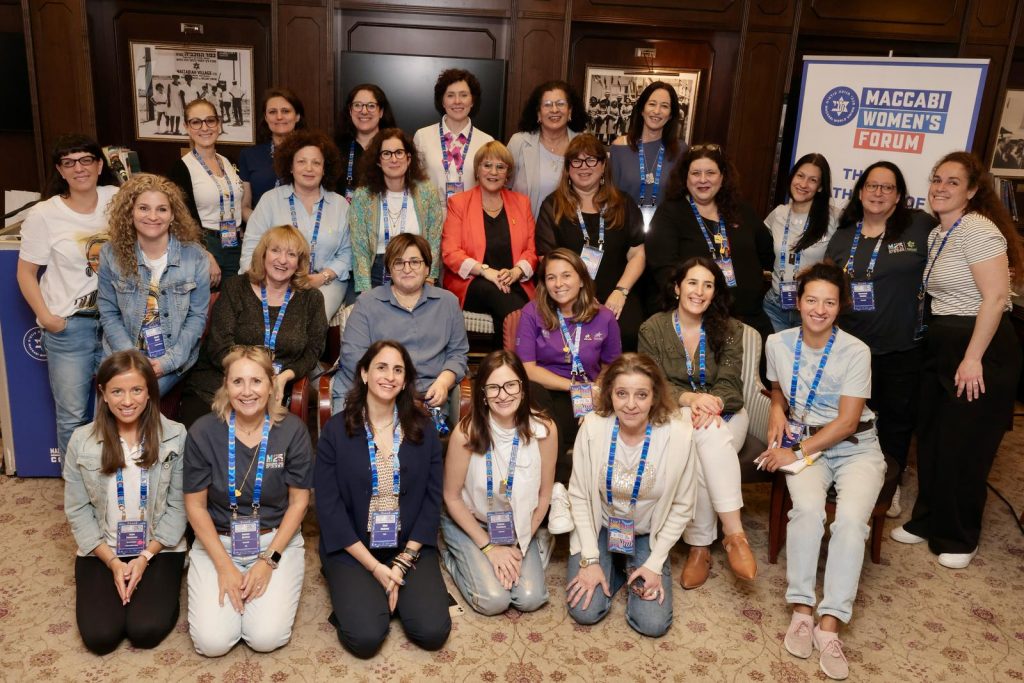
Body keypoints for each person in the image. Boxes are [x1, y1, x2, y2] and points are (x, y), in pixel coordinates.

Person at [891, 151, 1024, 569]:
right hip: (943, 345)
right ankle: (927, 520)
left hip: (980, 349)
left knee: (965, 446)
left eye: (952, 182)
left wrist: (972, 359)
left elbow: (996, 298)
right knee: (931, 437)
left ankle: (960, 535)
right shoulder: (937, 234)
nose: (940, 188)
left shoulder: (979, 230)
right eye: (936, 179)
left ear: (971, 191)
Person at [757, 262, 885, 681]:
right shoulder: (777, 342)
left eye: (829, 302)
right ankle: (801, 608)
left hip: (854, 447)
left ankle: (830, 622)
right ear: (798, 302)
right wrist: (776, 408)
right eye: (811, 300)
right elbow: (777, 387)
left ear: (840, 307)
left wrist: (794, 452)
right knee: (808, 511)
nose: (819, 309)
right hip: (805, 443)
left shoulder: (855, 351)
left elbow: (848, 422)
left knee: (849, 521)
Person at [316, 340, 451, 657]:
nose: (389, 376)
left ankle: (390, 593)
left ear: (405, 381)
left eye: (398, 370)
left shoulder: (424, 429)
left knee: (432, 631)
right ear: (364, 373)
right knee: (365, 638)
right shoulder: (336, 431)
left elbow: (433, 502)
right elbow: (329, 510)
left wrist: (402, 564)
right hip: (353, 549)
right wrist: (376, 569)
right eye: (381, 367)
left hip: (409, 548)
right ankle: (367, 593)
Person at [825, 161, 937, 517]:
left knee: (895, 421)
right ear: (860, 192)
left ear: (899, 195)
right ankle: (846, 476)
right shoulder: (844, 235)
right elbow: (829, 284)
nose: (878, 193)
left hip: (901, 347)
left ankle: (891, 486)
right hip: (850, 348)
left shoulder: (920, 227)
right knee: (850, 416)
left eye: (887, 187)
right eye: (872, 186)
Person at [183, 346, 311, 656]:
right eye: (237, 381)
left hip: (274, 542)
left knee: (265, 638)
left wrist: (268, 561)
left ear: (271, 384)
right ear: (225, 385)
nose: (247, 391)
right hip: (218, 542)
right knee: (211, 643)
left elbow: (298, 503)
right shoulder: (203, 431)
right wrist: (224, 566)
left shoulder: (292, 431)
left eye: (256, 381)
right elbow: (195, 506)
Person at [637, 257, 756, 589]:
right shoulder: (653, 328)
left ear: (714, 292)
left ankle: (700, 547)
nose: (699, 291)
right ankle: (734, 535)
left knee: (706, 436)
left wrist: (713, 402)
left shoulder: (731, 329)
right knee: (705, 437)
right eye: (692, 282)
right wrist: (692, 400)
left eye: (708, 285)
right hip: (678, 412)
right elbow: (652, 383)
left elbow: (732, 385)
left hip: (726, 413)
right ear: (677, 287)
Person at [62, 350, 188, 654]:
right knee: (101, 637)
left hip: (158, 547)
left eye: (136, 390)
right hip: (102, 549)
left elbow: (179, 506)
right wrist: (113, 562)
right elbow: (77, 509)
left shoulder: (175, 435)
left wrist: (144, 558)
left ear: (149, 393)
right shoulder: (81, 440)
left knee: (145, 630)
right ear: (103, 394)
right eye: (117, 391)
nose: (127, 400)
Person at [565, 353, 696, 637]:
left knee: (653, 624)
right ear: (610, 394)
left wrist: (654, 563)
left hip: (648, 532)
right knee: (585, 611)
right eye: (622, 393)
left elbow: (683, 507)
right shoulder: (592, 427)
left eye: (641, 394)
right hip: (601, 525)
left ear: (654, 396)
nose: (631, 404)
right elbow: (578, 496)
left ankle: (628, 564)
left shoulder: (678, 436)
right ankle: (613, 563)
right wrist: (589, 558)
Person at [17, 133, 119, 455]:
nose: (79, 168)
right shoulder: (44, 215)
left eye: (86, 160)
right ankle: (77, 493)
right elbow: (26, 274)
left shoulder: (117, 199)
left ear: (100, 164)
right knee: (73, 416)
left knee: (118, 411)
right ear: (60, 171)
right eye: (68, 162)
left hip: (115, 325)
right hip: (70, 328)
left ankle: (115, 487)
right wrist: (48, 318)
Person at [441, 350, 557, 615]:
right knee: (493, 601)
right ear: (482, 393)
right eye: (493, 387)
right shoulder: (466, 432)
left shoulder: (544, 430)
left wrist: (517, 542)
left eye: (510, 385)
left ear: (523, 387)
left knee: (530, 598)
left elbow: (544, 494)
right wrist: (490, 548)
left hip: (518, 525)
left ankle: (535, 542)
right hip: (472, 520)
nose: (503, 395)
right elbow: (452, 497)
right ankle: (451, 553)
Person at [178, 226, 327, 427]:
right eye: (275, 251)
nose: (282, 260)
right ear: (263, 254)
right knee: (209, 445)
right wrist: (249, 379)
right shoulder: (236, 288)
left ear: (299, 262)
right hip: (218, 385)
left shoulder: (312, 299)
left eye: (291, 254)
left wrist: (284, 378)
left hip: (272, 391)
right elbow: (219, 346)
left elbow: (313, 351)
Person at [644, 143, 774, 338]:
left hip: (751, 319)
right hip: (699, 320)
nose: (703, 180)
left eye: (710, 173)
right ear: (685, 177)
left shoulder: (741, 211)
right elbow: (665, 272)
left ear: (722, 177)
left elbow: (767, 253)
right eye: (696, 173)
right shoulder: (670, 214)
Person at [97, 173, 210, 395]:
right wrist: (132, 359)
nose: (153, 216)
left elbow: (197, 318)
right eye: (143, 208)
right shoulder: (110, 253)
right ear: (130, 212)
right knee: (114, 406)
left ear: (172, 215)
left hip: (171, 357)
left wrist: (168, 361)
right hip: (122, 353)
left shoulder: (195, 257)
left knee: (138, 396)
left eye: (162, 209)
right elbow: (108, 312)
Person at [516, 248, 622, 481]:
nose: (558, 284)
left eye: (566, 275)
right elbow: (527, 369)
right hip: (546, 391)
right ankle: (559, 480)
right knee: (538, 400)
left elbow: (611, 367)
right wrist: (572, 386)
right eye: (551, 277)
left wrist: (596, 392)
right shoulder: (532, 312)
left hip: (590, 392)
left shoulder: (604, 317)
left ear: (582, 280)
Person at [332, 233, 469, 414]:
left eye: (415, 262)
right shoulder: (367, 303)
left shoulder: (448, 303)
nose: (407, 269)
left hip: (427, 399)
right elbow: (353, 356)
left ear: (427, 268)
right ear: (390, 268)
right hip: (374, 395)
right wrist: (389, 391)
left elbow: (458, 354)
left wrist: (444, 381)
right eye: (399, 262)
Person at [536, 134, 646, 351]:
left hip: (616, 290)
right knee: (577, 339)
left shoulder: (623, 203)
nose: (583, 167)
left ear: (603, 165)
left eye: (591, 160)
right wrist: (576, 295)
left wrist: (621, 292)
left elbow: (638, 254)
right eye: (576, 161)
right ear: (568, 168)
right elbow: (545, 257)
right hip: (567, 293)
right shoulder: (553, 205)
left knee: (629, 333)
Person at [240, 129, 352, 320]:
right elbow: (251, 248)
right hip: (275, 281)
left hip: (324, 283)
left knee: (309, 322)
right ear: (290, 167)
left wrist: (322, 277)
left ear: (324, 169)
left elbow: (347, 252)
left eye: (316, 163)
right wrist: (270, 281)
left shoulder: (340, 204)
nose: (309, 168)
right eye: (301, 161)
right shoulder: (270, 200)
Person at [442, 141, 537, 346]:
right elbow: (450, 253)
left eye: (500, 167)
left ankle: (503, 360)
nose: (493, 172)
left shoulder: (522, 203)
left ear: (507, 173)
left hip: (514, 281)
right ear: (477, 170)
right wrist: (486, 271)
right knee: (511, 305)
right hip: (473, 283)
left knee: (514, 300)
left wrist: (515, 272)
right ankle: (521, 367)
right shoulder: (459, 203)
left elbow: (531, 251)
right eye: (487, 165)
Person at [348, 128, 444, 292]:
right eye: (386, 153)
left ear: (408, 158)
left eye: (399, 152)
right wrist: (365, 290)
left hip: (416, 271)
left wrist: (428, 280)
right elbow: (360, 248)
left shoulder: (427, 192)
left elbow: (434, 242)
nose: (394, 159)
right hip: (376, 272)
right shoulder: (362, 196)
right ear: (378, 161)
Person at [167, 98, 243, 284]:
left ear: (218, 124)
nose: (204, 127)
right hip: (206, 244)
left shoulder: (227, 161)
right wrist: (204, 254)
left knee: (234, 302)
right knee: (210, 307)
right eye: (196, 122)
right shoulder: (181, 168)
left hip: (232, 241)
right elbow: (181, 218)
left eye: (210, 120)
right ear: (187, 127)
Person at [764, 154, 840, 332]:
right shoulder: (778, 214)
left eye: (812, 180)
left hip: (814, 308)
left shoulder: (835, 218)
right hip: (775, 305)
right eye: (800, 176)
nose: (804, 184)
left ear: (820, 187)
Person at [507, 80, 590, 217]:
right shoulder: (519, 142)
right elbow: (504, 187)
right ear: (539, 113)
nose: (554, 110)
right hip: (526, 230)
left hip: (570, 232)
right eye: (547, 105)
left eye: (560, 104)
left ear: (570, 111)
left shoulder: (584, 144)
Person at [413, 68, 495, 205]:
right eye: (450, 95)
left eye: (463, 95)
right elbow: (414, 182)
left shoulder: (487, 142)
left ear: (472, 101)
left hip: (471, 216)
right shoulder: (422, 136)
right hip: (431, 215)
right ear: (442, 101)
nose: (457, 101)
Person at [610, 81, 685, 228]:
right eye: (652, 104)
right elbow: (611, 196)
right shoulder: (620, 147)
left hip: (666, 231)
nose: (657, 111)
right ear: (642, 109)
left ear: (670, 115)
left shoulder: (681, 151)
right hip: (625, 230)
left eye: (664, 106)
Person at [238, 87, 307, 221]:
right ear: (266, 117)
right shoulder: (249, 155)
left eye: (286, 111)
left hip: (303, 231)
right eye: (272, 112)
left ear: (297, 116)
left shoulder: (312, 153)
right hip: (261, 232)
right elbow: (244, 206)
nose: (279, 117)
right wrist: (262, 226)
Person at [334, 84, 397, 201]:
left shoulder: (395, 147)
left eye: (371, 106)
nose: (364, 111)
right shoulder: (335, 149)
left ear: (381, 112)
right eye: (357, 105)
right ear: (350, 111)